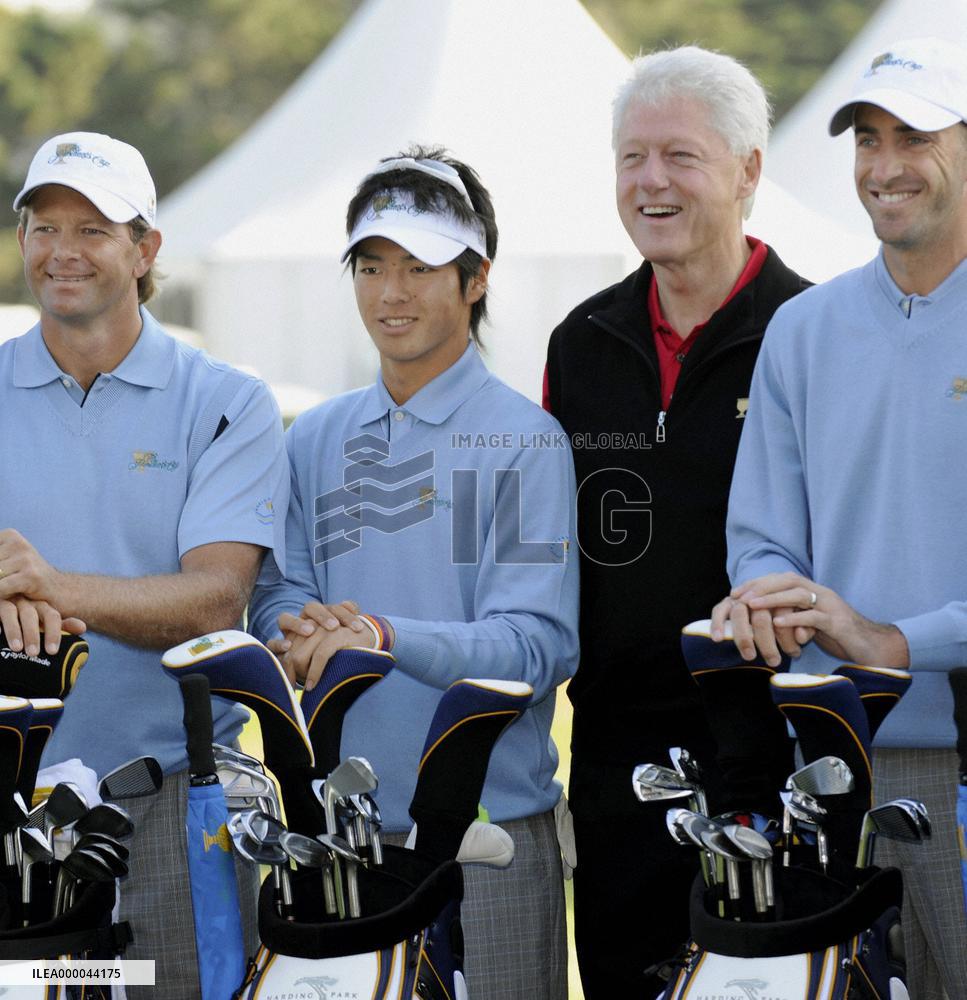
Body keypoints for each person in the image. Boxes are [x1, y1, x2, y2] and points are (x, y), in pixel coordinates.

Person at [249, 147, 579, 999]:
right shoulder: (314, 435)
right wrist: (300, 628)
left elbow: (536, 645)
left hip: (488, 837)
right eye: (370, 266)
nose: (389, 293)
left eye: (419, 267)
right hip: (336, 837)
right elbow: (278, 591)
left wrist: (381, 636)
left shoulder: (525, 441)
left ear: (476, 280)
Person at [544, 47, 809, 998]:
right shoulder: (580, 342)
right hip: (614, 764)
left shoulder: (811, 331)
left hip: (776, 756)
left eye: (679, 156)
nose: (650, 180)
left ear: (746, 170)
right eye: (631, 157)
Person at [0, 131, 288, 998]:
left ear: (145, 248)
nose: (62, 251)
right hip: (12, 800)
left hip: (174, 804)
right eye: (44, 226)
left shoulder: (227, 402)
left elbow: (216, 601)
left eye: (93, 229)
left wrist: (50, 585)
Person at [710, 36, 967, 1000]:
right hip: (827, 763)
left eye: (914, 137)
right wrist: (764, 595)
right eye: (866, 138)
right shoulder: (803, 328)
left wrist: (891, 641)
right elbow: (761, 533)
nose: (883, 165)